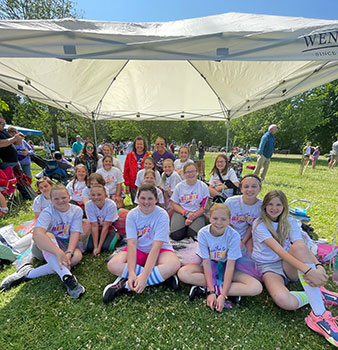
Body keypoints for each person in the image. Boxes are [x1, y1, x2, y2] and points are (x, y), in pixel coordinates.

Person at [252, 190, 338, 346]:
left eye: (278, 204)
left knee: (298, 246)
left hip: (288, 263)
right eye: (270, 204)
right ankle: (317, 294)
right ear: (264, 206)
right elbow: (278, 251)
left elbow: (300, 246)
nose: (274, 208)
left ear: (284, 207)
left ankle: (319, 315)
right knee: (286, 302)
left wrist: (318, 266)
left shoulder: (290, 222)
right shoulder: (259, 224)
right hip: (268, 266)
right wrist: (308, 271)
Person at [0, 184, 85, 298]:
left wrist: (69, 253)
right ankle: (67, 278)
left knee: (77, 256)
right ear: (51, 199)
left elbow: (75, 233)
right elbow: (37, 234)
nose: (60, 201)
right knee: (47, 235)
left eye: (63, 197)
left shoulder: (76, 210)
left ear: (69, 196)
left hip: (64, 243)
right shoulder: (47, 212)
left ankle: (28, 274)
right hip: (44, 247)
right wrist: (58, 253)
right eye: (56, 199)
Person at [102, 184, 181, 304]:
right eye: (143, 198)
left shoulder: (162, 215)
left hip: (160, 250)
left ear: (156, 199)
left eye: (150, 198)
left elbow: (156, 247)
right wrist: (132, 272)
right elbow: (132, 244)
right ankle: (161, 277)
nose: (146, 202)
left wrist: (144, 277)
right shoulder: (132, 215)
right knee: (113, 265)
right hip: (139, 249)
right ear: (137, 198)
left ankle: (124, 286)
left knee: (174, 265)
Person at [178, 204, 262, 309]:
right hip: (210, 265)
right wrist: (212, 292)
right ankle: (228, 291)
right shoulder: (203, 233)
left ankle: (204, 289)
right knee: (183, 273)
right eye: (215, 218)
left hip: (230, 267)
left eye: (223, 219)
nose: (219, 223)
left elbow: (230, 267)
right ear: (209, 217)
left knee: (256, 287)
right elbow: (206, 263)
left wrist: (223, 296)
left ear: (229, 220)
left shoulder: (233, 236)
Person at [170, 163, 209, 241]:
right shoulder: (179, 186)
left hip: (197, 213)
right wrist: (186, 213)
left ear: (197, 172)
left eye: (193, 171)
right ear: (184, 174)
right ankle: (184, 226)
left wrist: (194, 216)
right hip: (182, 212)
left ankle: (189, 227)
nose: (190, 174)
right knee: (176, 235)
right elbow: (174, 203)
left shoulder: (203, 186)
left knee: (193, 237)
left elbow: (206, 205)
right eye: (188, 172)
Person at [224, 175, 262, 252]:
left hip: (249, 236)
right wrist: (233, 239)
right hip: (229, 233)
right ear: (241, 189)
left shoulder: (262, 206)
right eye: (246, 186)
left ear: (260, 189)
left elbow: (252, 226)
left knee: (249, 252)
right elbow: (225, 223)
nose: (250, 189)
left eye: (254, 186)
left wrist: (243, 241)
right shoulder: (230, 202)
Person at [85, 184, 119, 257]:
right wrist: (95, 247)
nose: (96, 197)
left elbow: (106, 227)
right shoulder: (88, 205)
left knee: (106, 247)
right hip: (98, 225)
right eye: (93, 195)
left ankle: (117, 235)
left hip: (111, 225)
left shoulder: (111, 205)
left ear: (105, 195)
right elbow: (94, 225)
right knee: (89, 248)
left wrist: (99, 248)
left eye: (99, 194)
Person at [124, 136, 150, 203]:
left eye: (141, 144)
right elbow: (126, 170)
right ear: (134, 145)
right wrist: (127, 184)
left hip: (145, 182)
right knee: (136, 202)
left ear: (144, 145)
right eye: (138, 144)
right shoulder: (129, 156)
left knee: (145, 201)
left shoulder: (148, 155)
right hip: (133, 183)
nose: (139, 146)